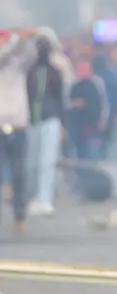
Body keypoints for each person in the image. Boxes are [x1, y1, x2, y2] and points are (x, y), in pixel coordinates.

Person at [24, 34, 68, 217]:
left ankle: (45, 198)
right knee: (32, 161)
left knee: (47, 161)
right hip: (32, 120)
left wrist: (63, 124)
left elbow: (60, 100)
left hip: (50, 119)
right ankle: (34, 197)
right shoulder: (28, 73)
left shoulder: (55, 72)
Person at [0, 29, 31, 233]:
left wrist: (27, 38)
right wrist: (17, 41)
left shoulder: (20, 66)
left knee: (20, 174)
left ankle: (20, 216)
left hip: (19, 125)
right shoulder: (5, 58)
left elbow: (31, 55)